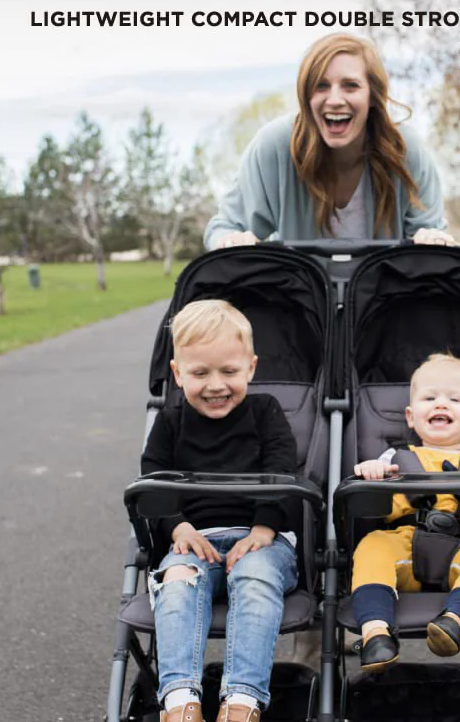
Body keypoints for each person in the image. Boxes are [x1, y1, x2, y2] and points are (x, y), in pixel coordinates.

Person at [142, 299, 299, 722]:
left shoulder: (265, 412)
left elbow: (283, 469)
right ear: (177, 374)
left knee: (254, 575)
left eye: (229, 372)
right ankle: (178, 702)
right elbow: (153, 480)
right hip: (194, 540)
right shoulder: (170, 422)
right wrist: (178, 527)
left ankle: (242, 701)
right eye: (200, 373)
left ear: (250, 367)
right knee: (175, 581)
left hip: (263, 540)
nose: (216, 384)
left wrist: (264, 528)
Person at [204, 32, 455, 250]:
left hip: (383, 300)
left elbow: (429, 234)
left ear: (372, 96)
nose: (335, 99)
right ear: (306, 96)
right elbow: (225, 227)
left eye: (350, 86)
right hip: (297, 298)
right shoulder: (275, 145)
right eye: (321, 86)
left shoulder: (404, 149)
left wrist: (431, 238)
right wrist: (230, 240)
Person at [349, 353, 460, 673]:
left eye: (454, 399)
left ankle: (454, 623)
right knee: (371, 546)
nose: (441, 404)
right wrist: (372, 474)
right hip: (402, 543)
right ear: (411, 417)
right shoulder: (393, 456)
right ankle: (376, 634)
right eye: (430, 398)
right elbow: (367, 505)